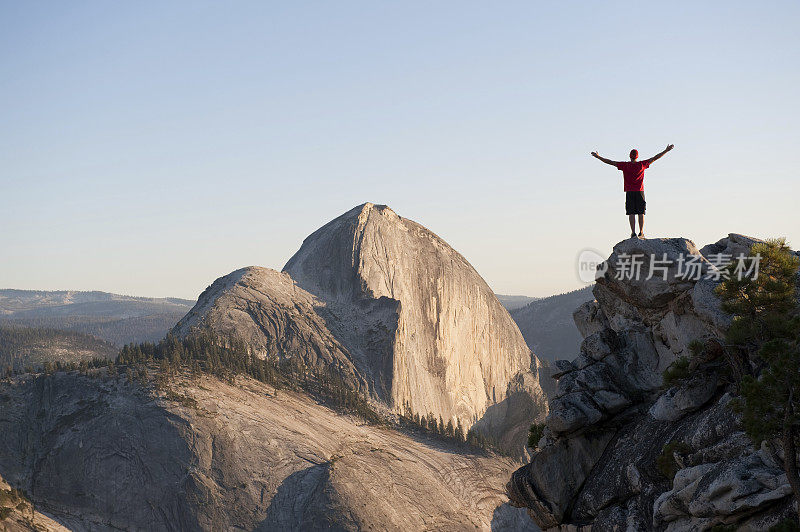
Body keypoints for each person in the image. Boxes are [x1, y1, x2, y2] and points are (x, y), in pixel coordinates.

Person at [591, 144, 674, 238]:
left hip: (629, 191)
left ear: (630, 156)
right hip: (640, 191)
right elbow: (655, 158)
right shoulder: (642, 164)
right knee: (641, 212)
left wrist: (598, 157)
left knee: (631, 213)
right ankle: (641, 232)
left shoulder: (625, 165)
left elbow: (610, 162)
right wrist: (666, 150)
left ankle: (633, 232)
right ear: (637, 156)